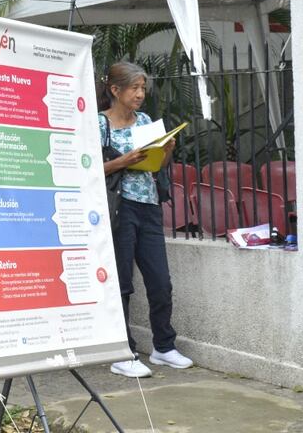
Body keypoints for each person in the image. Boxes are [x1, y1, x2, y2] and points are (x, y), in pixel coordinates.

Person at [98, 62, 193, 378]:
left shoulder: (146, 121)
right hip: (119, 208)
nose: (140, 94)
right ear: (115, 90)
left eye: (143, 88)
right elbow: (88, 168)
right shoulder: (100, 124)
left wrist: (166, 151)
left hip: (149, 206)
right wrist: (123, 161)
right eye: (134, 88)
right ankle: (122, 352)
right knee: (122, 282)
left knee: (160, 281)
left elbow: (156, 166)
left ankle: (163, 346)